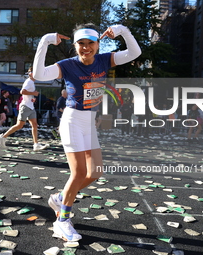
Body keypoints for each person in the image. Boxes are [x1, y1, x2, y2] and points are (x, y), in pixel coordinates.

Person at [32, 23, 141, 241]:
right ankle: (62, 221)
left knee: (96, 171)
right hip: (72, 121)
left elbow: (135, 53)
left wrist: (122, 30)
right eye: (81, 43)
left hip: (89, 123)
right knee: (79, 173)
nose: (86, 48)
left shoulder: (104, 59)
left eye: (91, 43)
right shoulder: (67, 64)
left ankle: (60, 197)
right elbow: (39, 74)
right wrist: (44, 41)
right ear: (75, 45)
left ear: (98, 44)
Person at [0, 67, 49, 151]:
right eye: (35, 73)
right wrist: (33, 93)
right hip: (25, 107)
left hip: (30, 107)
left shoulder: (31, 82)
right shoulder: (28, 81)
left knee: (35, 125)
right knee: (19, 125)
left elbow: (26, 94)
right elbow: (22, 92)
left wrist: (32, 98)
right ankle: (3, 136)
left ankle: (36, 144)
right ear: (30, 74)